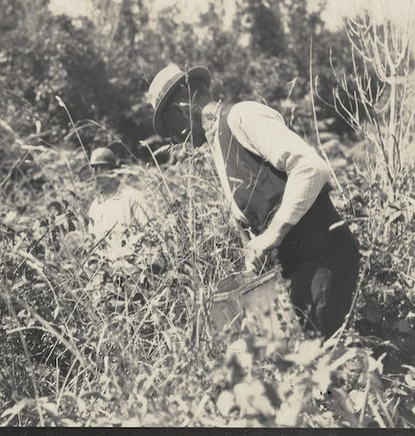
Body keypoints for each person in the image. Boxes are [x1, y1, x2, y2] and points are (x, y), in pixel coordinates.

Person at [148, 64, 360, 338]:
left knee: (326, 353)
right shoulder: (217, 146)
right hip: (297, 268)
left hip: (325, 254)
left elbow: (311, 167)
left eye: (170, 127)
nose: (175, 139)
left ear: (182, 108)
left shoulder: (242, 116)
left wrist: (272, 234)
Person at [87, 147, 149, 243]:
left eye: (102, 168)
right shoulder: (95, 206)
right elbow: (93, 242)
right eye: (94, 168)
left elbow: (150, 231)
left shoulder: (132, 196)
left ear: (113, 170)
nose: (97, 173)